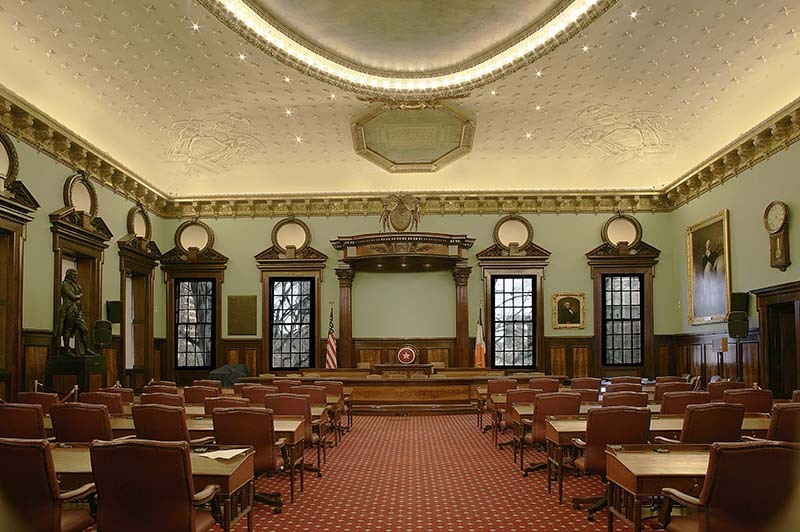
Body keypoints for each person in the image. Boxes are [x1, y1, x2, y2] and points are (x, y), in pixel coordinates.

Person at [55, 269, 95, 356]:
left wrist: (79, 297)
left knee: (84, 330)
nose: (75, 277)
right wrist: (79, 296)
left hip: (77, 310)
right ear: (68, 275)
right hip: (69, 309)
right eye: (73, 275)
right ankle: (67, 349)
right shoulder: (64, 284)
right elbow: (72, 296)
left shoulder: (76, 285)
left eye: (76, 275)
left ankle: (87, 349)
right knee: (68, 329)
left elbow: (78, 294)